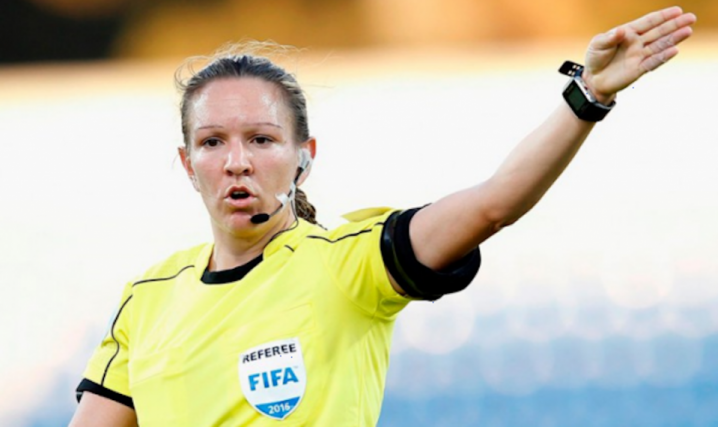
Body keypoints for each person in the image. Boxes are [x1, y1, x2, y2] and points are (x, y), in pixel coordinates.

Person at [68, 6, 696, 427]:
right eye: (212, 143)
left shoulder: (348, 264)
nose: (236, 162)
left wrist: (587, 96)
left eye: (261, 140)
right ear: (187, 162)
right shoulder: (148, 297)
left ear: (303, 158)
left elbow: (495, 201)